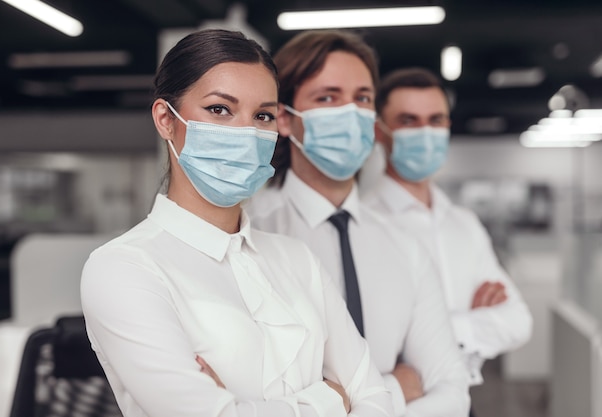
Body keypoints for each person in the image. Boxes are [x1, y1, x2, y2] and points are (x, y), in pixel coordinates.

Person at [80, 29, 395, 417]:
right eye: (219, 109)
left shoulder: (297, 259)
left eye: (262, 115)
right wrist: (329, 400)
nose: (246, 132)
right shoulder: (123, 268)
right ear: (165, 119)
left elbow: (375, 397)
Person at [245, 30, 470, 417]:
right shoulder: (253, 238)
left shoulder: (405, 244)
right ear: (284, 117)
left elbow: (451, 392)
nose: (350, 113)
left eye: (362, 98)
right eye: (328, 97)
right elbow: (254, 402)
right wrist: (395, 391)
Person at [363, 67, 533, 392]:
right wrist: (474, 323)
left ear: (448, 127)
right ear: (379, 131)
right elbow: (373, 342)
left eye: (436, 120)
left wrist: (429, 331)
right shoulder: (363, 223)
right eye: (409, 121)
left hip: (462, 402)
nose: (425, 132)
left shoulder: (464, 223)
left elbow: (518, 322)